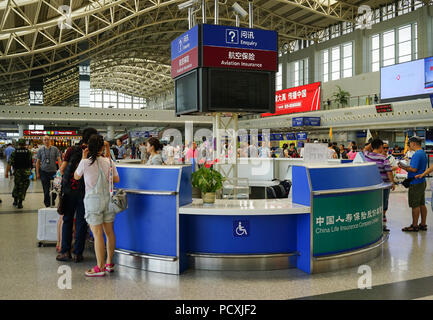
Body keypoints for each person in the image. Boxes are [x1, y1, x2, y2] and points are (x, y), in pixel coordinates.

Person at [74, 134, 120, 277]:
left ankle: (99, 267)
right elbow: (116, 179)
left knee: (98, 234)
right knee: (109, 232)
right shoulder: (108, 162)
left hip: (92, 201)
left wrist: (83, 157)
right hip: (108, 199)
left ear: (88, 147)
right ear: (102, 147)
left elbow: (76, 176)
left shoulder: (85, 162)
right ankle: (109, 263)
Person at [56, 128, 104, 263]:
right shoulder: (94, 154)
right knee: (82, 222)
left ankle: (65, 251)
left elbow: (63, 168)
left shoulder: (71, 150)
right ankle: (78, 253)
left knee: (67, 220)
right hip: (85, 193)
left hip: (70, 191)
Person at [364, 139, 396, 232]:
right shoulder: (383, 158)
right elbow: (389, 172)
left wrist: (372, 144)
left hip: (372, 185)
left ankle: (372, 224)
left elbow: (365, 148)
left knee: (373, 205)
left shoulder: (366, 155)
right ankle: (380, 225)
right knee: (382, 204)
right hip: (383, 185)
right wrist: (392, 183)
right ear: (381, 147)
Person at [398, 136, 428, 232]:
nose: (409, 145)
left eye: (409, 143)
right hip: (422, 181)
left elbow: (413, 169)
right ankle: (423, 224)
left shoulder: (417, 154)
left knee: (415, 205)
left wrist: (402, 167)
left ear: (413, 143)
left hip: (415, 182)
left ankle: (414, 226)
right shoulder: (423, 153)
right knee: (421, 203)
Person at [36, 136, 62, 208]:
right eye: (45, 140)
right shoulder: (40, 150)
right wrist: (38, 173)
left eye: (47, 140)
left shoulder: (55, 149)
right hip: (44, 172)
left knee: (56, 188)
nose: (46, 141)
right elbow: (37, 162)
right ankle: (47, 203)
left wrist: (60, 170)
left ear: (50, 141)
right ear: (43, 141)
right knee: (46, 189)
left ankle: (52, 199)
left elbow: (59, 160)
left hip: (53, 172)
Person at [5, 139, 32, 209]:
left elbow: (9, 163)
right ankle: (20, 202)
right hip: (26, 172)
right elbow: (30, 163)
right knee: (24, 187)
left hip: (17, 172)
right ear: (25, 144)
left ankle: (15, 200)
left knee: (17, 185)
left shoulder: (15, 152)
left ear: (18, 144)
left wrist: (6, 172)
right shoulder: (28, 152)